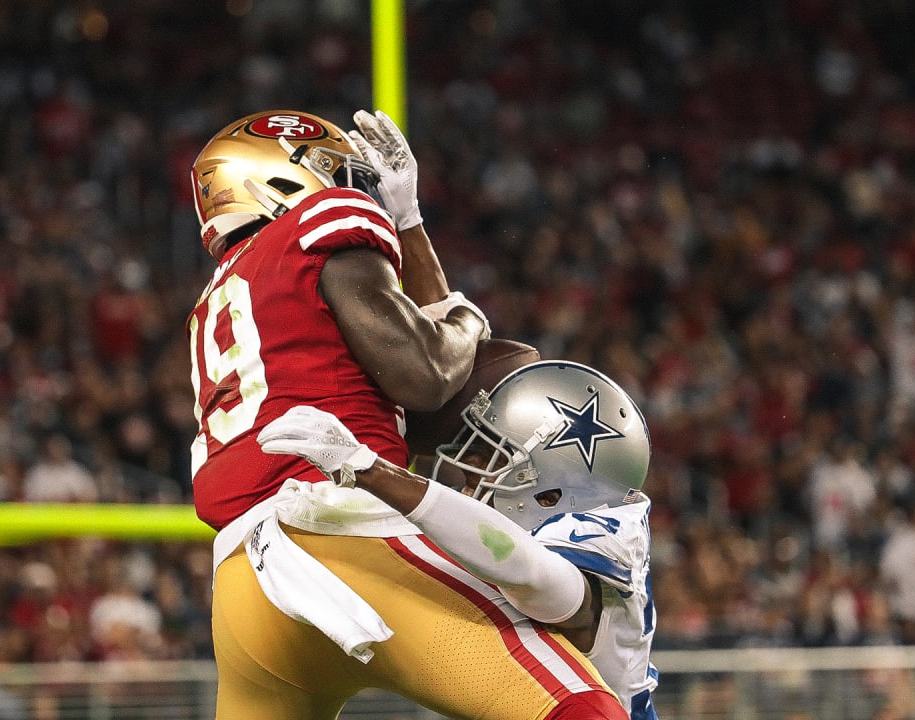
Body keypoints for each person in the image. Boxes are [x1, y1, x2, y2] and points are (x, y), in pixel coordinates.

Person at [187, 109, 626, 719]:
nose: (357, 191)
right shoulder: (319, 224)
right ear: (289, 177)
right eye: (340, 174)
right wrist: (467, 318)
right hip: (344, 537)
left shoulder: (224, 294)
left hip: (244, 586)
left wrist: (412, 227)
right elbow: (426, 373)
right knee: (579, 708)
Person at [259, 360, 661, 719]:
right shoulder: (568, 515)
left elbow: (545, 585)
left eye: (488, 462)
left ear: (551, 493)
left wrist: (369, 470)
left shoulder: (600, 537)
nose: (468, 476)